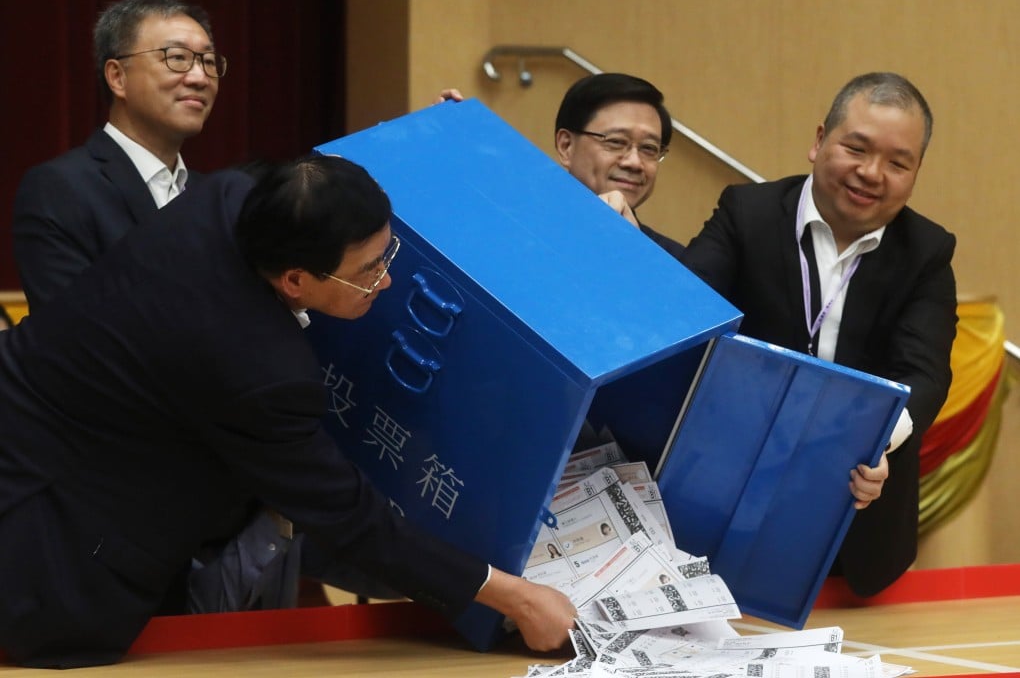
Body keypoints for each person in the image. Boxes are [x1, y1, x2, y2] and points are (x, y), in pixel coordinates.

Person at [0, 155, 576, 668]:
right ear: (295, 280)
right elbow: (352, 519)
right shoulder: (258, 368)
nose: (387, 279)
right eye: (368, 271)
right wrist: (515, 596)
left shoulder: (232, 197)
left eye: (386, 253)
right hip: (49, 526)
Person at [681, 72, 957, 597]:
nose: (872, 173)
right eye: (857, 148)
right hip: (729, 489)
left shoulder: (926, 251)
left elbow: (923, 373)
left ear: (916, 172)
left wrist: (876, 444)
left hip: (855, 509)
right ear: (819, 141)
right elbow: (686, 315)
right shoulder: (748, 213)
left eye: (898, 163)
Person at [12, 0, 222, 309]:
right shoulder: (60, 188)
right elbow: (74, 333)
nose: (200, 77)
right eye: (177, 58)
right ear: (117, 77)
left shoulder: (214, 197)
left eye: (208, 61)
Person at [552, 73, 685, 259]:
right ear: (566, 146)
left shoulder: (673, 262)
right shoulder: (518, 224)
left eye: (649, 148)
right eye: (616, 142)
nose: (634, 162)